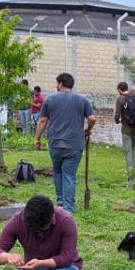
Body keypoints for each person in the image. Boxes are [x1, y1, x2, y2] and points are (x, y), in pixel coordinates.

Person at [34, 73, 95, 214]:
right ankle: (68, 208)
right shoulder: (82, 100)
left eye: (57, 83)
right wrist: (87, 129)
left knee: (57, 172)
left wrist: (37, 138)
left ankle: (60, 203)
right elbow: (92, 118)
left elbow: (43, 121)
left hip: (55, 144)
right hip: (74, 145)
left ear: (61, 83)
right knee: (69, 175)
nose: (56, 86)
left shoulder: (50, 99)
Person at [113, 81, 135, 183]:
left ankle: (131, 180)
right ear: (127, 88)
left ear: (119, 90)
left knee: (128, 152)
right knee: (132, 150)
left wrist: (116, 120)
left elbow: (117, 115)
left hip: (127, 130)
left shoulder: (120, 99)